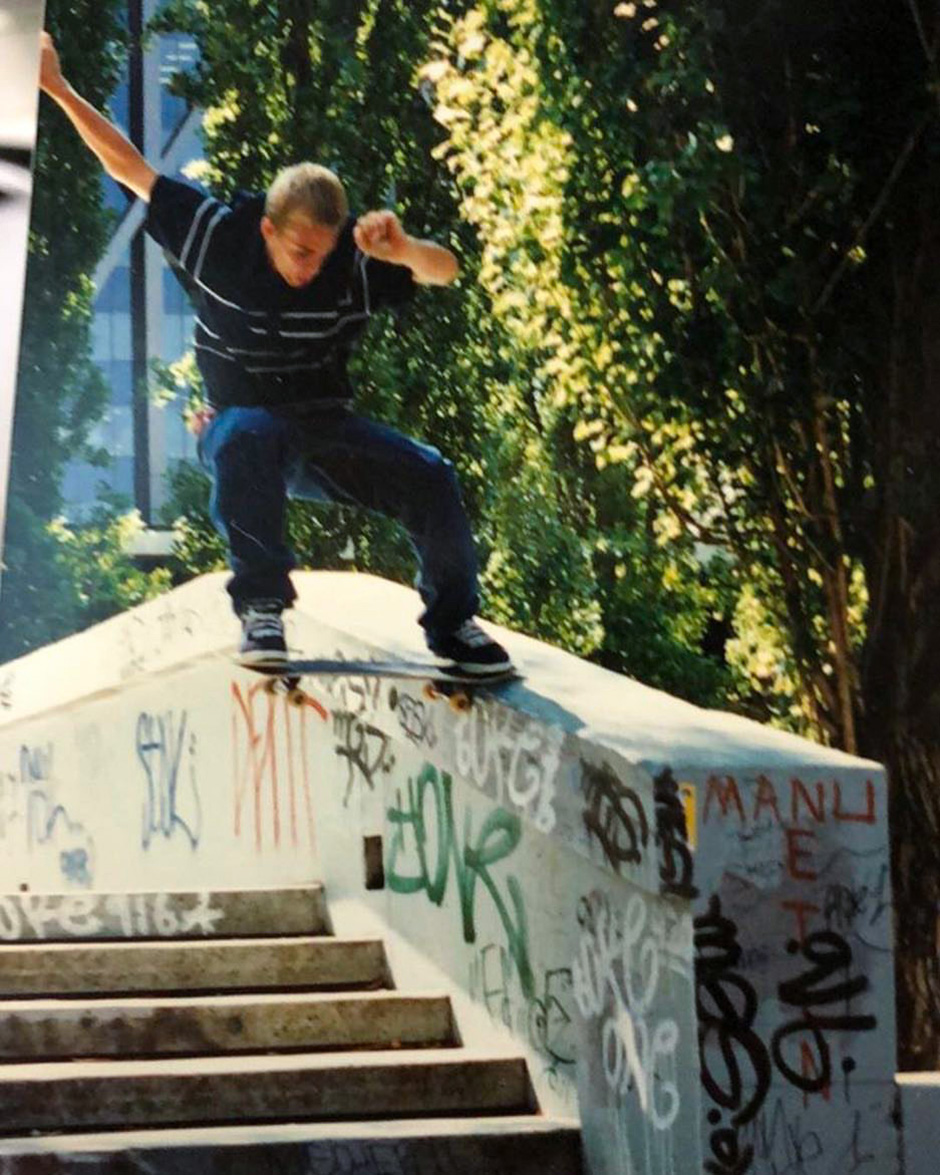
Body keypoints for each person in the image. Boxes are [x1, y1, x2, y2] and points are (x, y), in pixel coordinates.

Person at [38, 32, 512, 673]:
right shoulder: (218, 234)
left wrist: (403, 250)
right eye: (299, 252)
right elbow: (128, 166)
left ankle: (455, 625)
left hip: (324, 429)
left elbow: (447, 270)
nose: (310, 268)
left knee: (430, 475)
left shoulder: (351, 261)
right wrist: (58, 88)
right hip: (241, 428)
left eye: (323, 252)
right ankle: (262, 610)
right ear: (268, 227)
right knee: (249, 435)